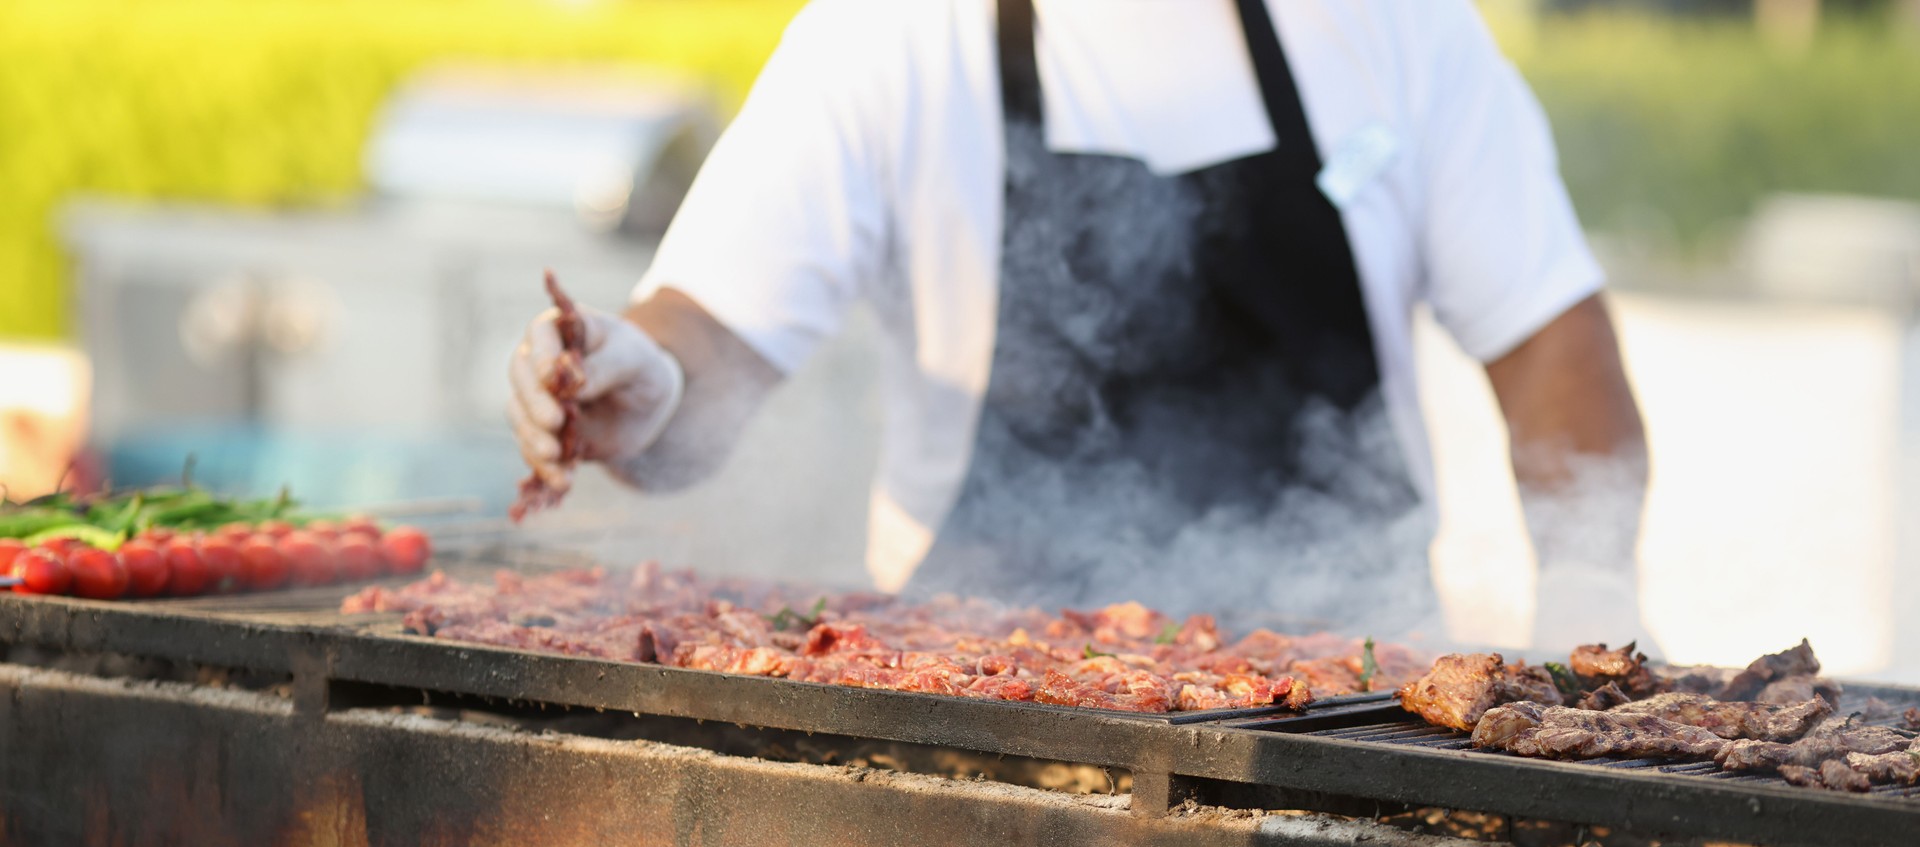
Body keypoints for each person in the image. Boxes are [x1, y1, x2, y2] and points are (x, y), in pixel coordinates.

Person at [509, 0, 1648, 643]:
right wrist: (646, 380)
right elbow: (708, 336)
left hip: (1358, 709)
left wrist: (1592, 603)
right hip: (986, 711)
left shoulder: (1394, 26)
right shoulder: (885, 35)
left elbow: (1549, 333)